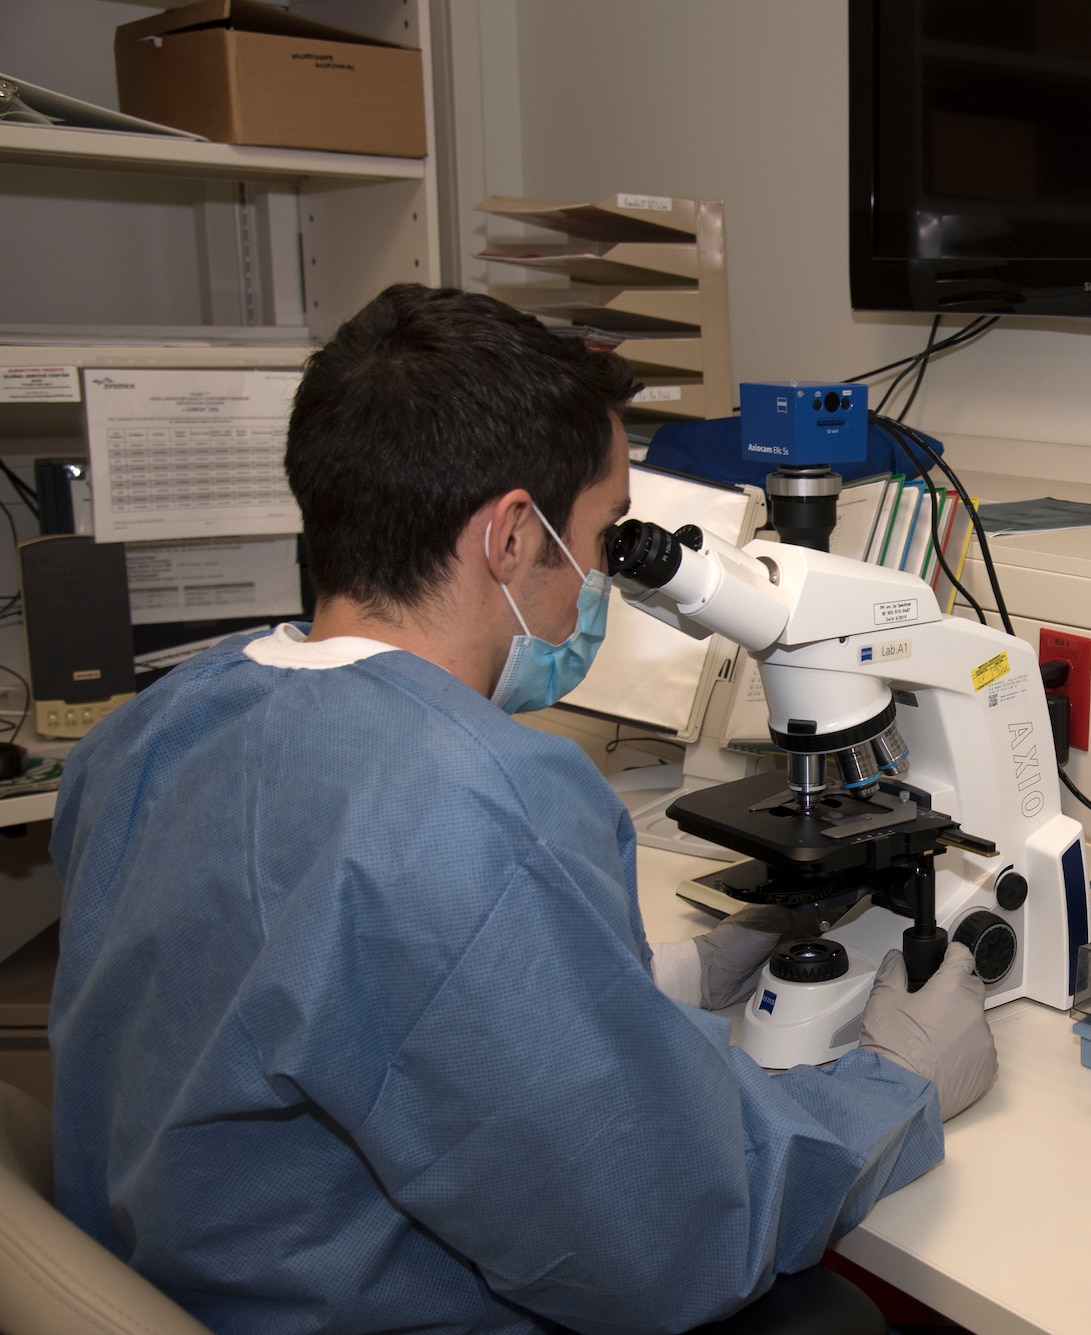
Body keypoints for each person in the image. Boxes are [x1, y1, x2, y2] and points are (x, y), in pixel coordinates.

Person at [49, 284, 997, 1334]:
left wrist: (655, 980)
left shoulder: (154, 727)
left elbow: (315, 992)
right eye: (601, 536)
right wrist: (892, 1085)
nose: (599, 578)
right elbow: (672, 1241)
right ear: (509, 537)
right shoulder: (474, 798)